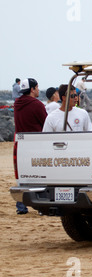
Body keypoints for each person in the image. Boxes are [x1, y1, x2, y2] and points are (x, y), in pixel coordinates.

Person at [13, 78, 47, 214]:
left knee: (23, 176)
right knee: (41, 175)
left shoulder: (17, 103)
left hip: (20, 143)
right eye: (37, 87)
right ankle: (41, 206)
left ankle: (21, 207)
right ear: (32, 89)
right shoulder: (37, 105)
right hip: (36, 143)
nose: (38, 90)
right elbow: (46, 123)